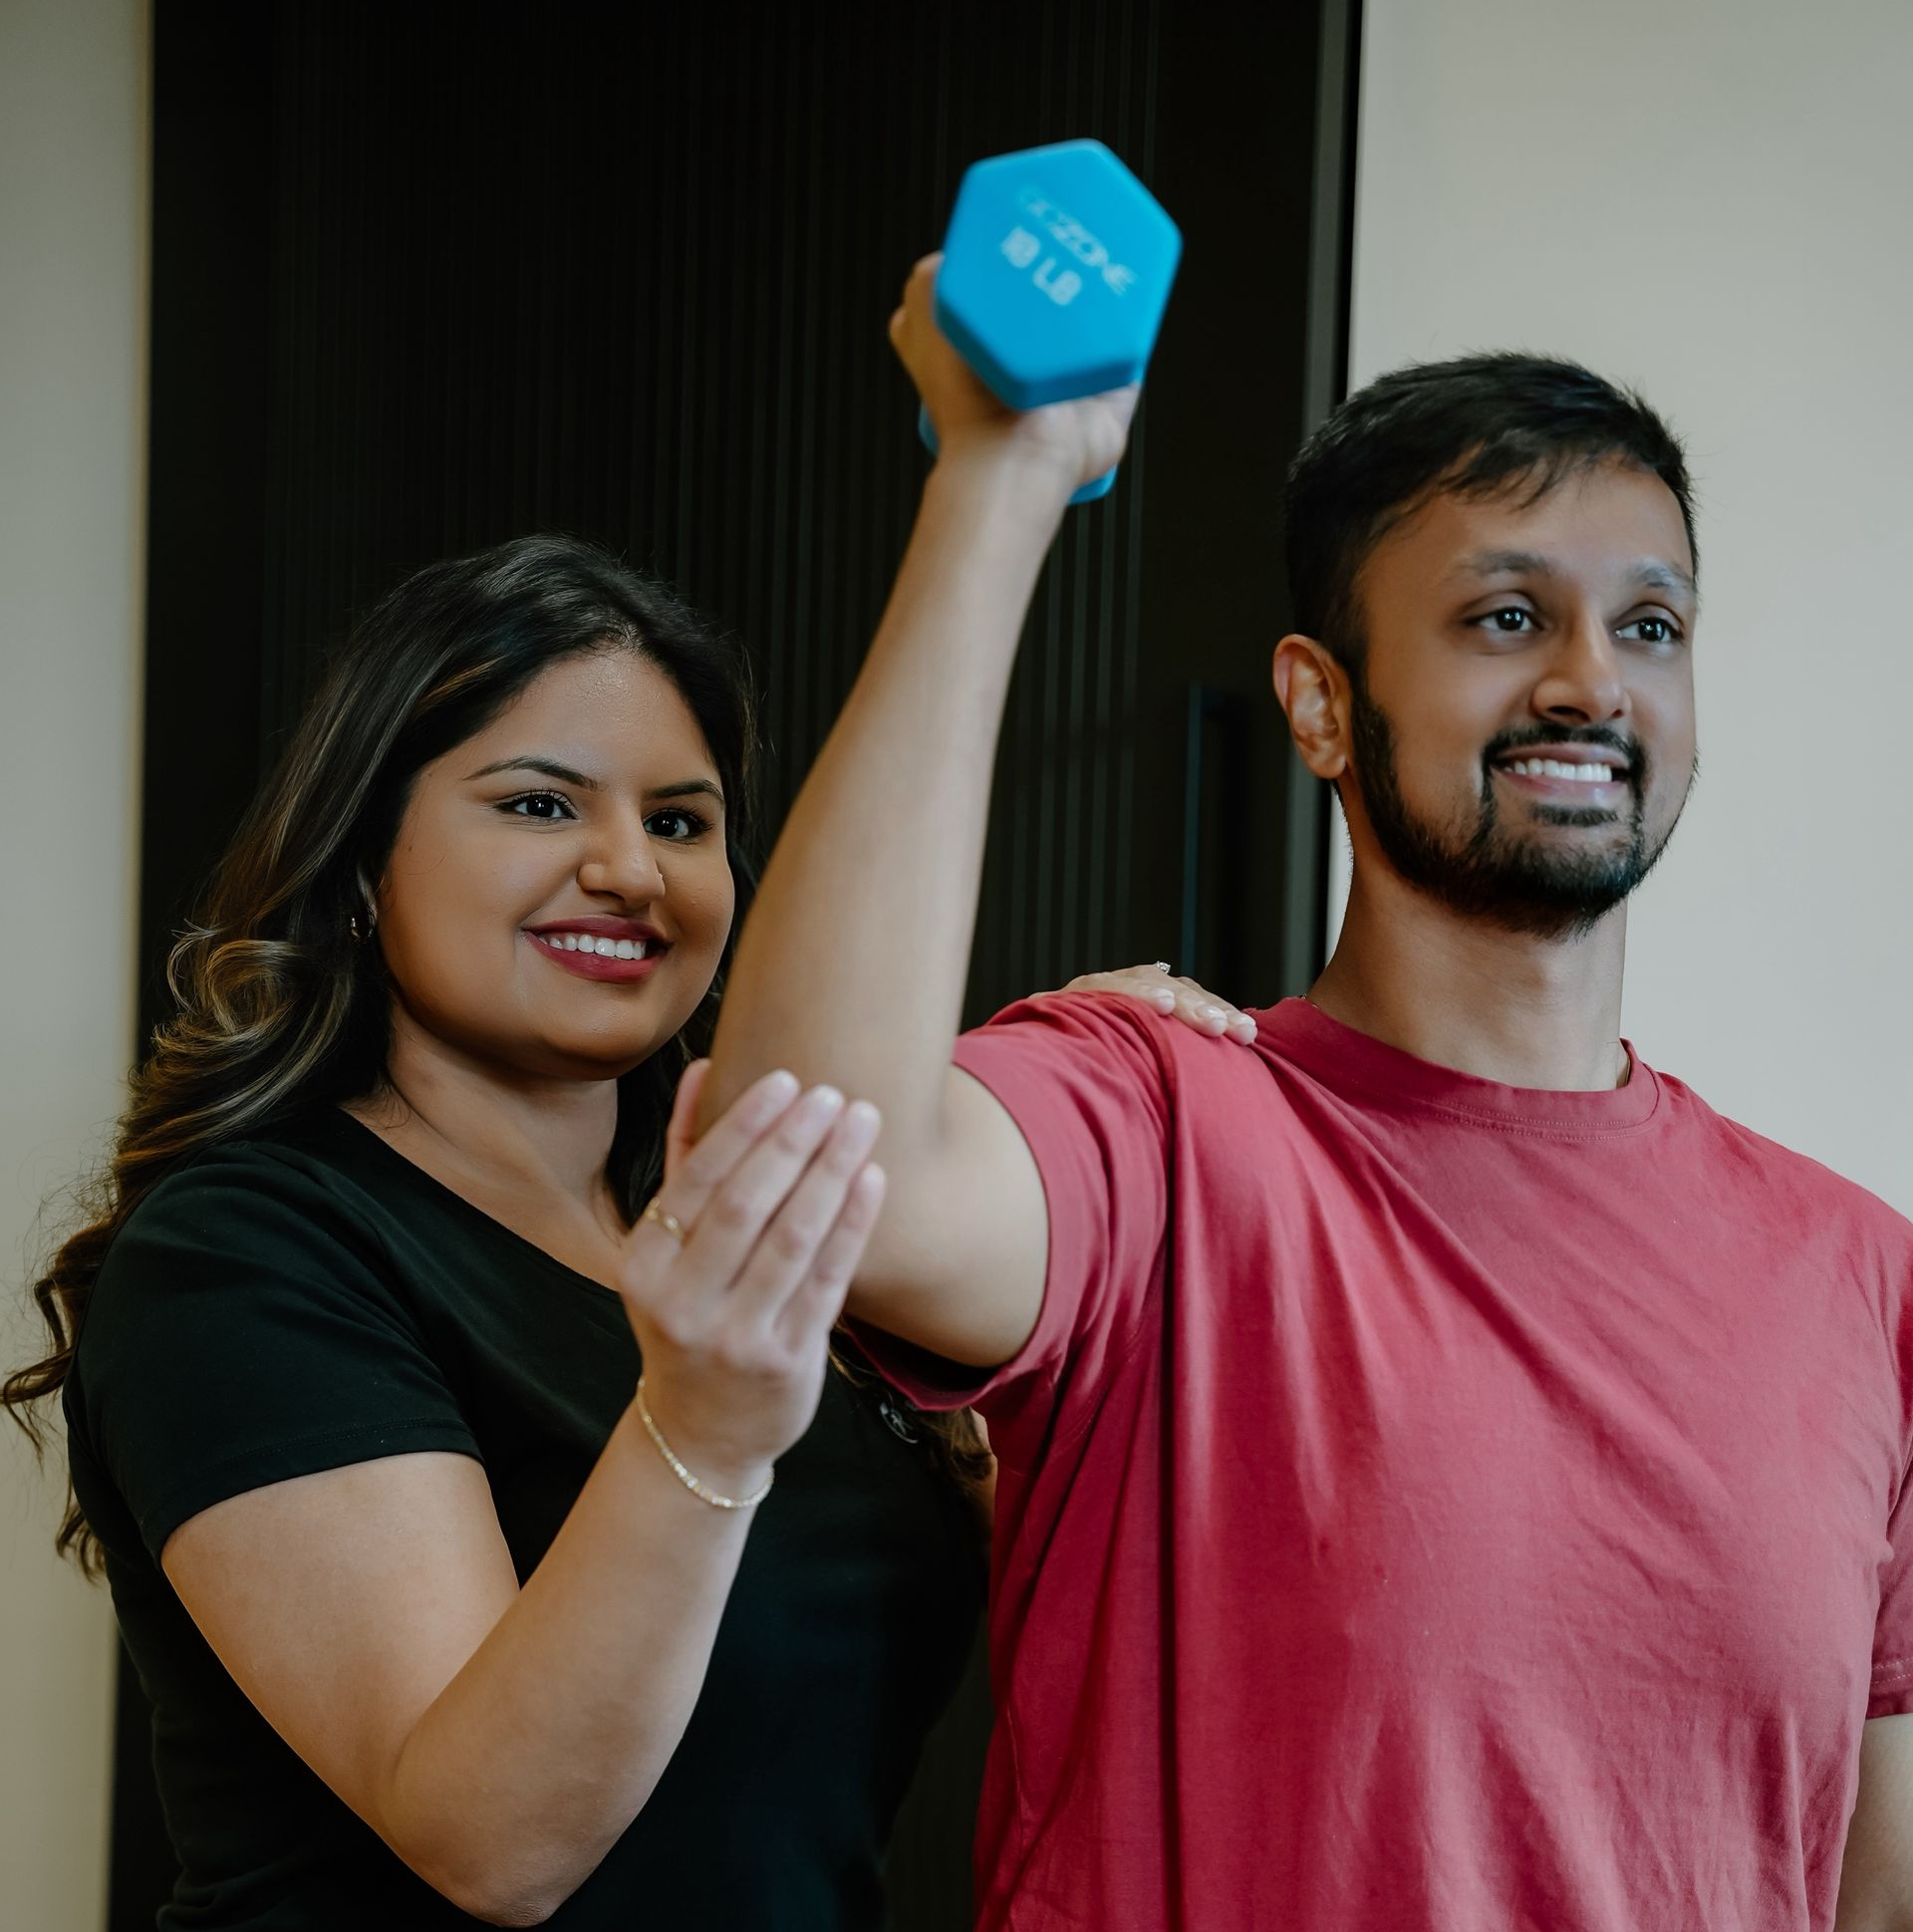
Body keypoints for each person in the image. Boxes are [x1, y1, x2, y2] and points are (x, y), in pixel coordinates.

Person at [696, 258, 1913, 1931]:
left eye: (1650, 624)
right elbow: (807, 1153)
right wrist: (1000, 478)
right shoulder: (1162, 1126)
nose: (1589, 682)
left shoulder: (1861, 1276)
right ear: (1320, 704)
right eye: (1505, 615)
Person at [2, 532, 1249, 1930]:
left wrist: (1080, 1122)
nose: (630, 871)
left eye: (680, 820)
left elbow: (1100, 1574)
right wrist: (702, 1428)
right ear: (363, 863)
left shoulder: (750, 1245)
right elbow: (488, 1839)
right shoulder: (243, 1253)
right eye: (539, 805)